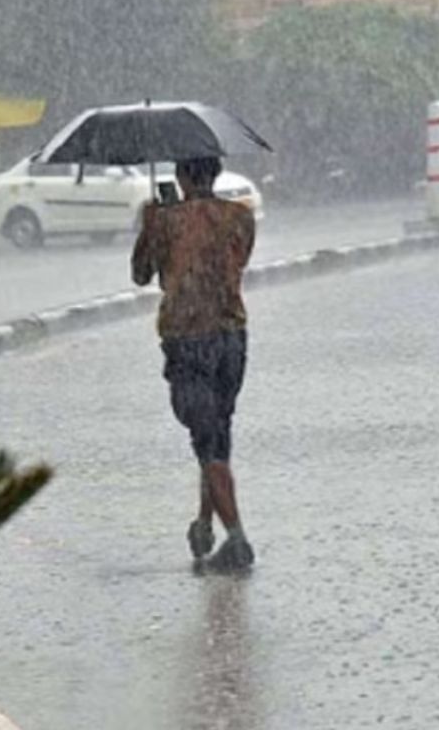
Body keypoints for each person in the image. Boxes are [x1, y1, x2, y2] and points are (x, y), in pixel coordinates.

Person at [131, 157, 257, 572]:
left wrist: (151, 224)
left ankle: (237, 540)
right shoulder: (240, 217)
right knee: (217, 435)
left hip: (188, 339)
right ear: (215, 174)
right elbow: (236, 263)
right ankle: (206, 522)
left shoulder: (166, 222)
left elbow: (140, 273)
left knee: (206, 442)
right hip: (231, 337)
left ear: (183, 177)